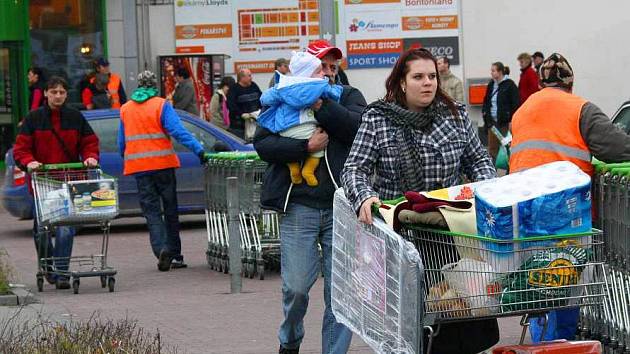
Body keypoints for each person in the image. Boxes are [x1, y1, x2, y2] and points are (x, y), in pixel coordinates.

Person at [341, 48, 498, 354]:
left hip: (449, 231)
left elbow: (478, 160)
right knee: (411, 326)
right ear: (401, 82)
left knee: (459, 316)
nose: (428, 83)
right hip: (401, 235)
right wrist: (364, 196)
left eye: (432, 77)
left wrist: (486, 189)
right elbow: (355, 168)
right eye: (418, 77)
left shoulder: (455, 116)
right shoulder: (378, 119)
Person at [254, 39, 367, 354]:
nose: (329, 72)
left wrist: (319, 104)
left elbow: (358, 129)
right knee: (297, 288)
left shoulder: (347, 96)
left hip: (341, 207)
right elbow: (262, 143)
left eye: (333, 66)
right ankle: (289, 340)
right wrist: (304, 147)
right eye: (323, 66)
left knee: (342, 293)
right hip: (299, 206)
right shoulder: (282, 97)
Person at [510, 52, 630, 342]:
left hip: (522, 211)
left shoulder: (522, 111)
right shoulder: (579, 108)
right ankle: (558, 344)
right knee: (566, 283)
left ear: (540, 84)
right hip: (564, 211)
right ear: (570, 83)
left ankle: (541, 342)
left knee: (538, 284)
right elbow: (616, 148)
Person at [13, 76, 99, 290]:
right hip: (42, 183)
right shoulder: (33, 119)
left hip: (68, 182)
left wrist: (90, 157)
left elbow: (89, 142)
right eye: (54, 92)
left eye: (61, 92)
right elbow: (21, 149)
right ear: (45, 94)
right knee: (42, 231)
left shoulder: (75, 117)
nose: (58, 96)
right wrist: (29, 162)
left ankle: (61, 273)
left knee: (65, 230)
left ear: (66, 94)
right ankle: (48, 267)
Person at [118, 71, 209, 271]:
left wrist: (127, 155)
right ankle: (174, 254)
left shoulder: (125, 109)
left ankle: (161, 249)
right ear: (154, 86)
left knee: (151, 212)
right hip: (163, 166)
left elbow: (121, 144)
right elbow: (178, 131)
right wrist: (199, 150)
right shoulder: (161, 105)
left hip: (140, 169)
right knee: (170, 210)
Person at [258, 51, 343, 187]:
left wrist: (265, 100)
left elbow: (266, 98)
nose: (325, 73)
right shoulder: (320, 86)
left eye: (333, 67)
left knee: (292, 151)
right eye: (321, 68)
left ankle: (294, 168)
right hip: (308, 128)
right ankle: (308, 171)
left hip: (285, 128)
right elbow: (262, 145)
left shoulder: (283, 86)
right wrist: (307, 146)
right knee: (318, 150)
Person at [481, 62, 519, 162]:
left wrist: (511, 120)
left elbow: (515, 103)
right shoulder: (491, 84)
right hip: (492, 123)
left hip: (505, 123)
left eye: (493, 71)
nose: (491, 73)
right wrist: (486, 117)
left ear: (500, 72)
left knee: (507, 148)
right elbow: (486, 101)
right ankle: (492, 171)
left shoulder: (509, 85)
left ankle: (509, 169)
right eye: (491, 71)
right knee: (492, 149)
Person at [227, 68, 262, 141]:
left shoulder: (254, 86)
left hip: (254, 123)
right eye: (249, 76)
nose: (251, 78)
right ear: (242, 78)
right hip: (239, 127)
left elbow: (261, 99)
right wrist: (241, 114)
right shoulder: (233, 89)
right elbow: (231, 105)